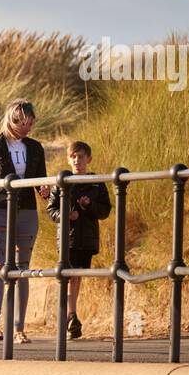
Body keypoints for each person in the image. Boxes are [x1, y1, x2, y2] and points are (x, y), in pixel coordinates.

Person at [0, 99, 49, 344]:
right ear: (13, 120)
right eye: (23, 123)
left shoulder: (35, 148)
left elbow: (40, 180)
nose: (27, 128)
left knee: (22, 268)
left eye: (30, 123)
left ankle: (19, 328)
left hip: (26, 210)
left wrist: (45, 191)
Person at [47, 141, 112, 339]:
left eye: (81, 157)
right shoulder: (62, 180)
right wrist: (66, 215)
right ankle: (70, 316)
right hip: (68, 238)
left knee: (77, 277)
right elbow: (51, 210)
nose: (77, 160)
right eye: (73, 157)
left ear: (88, 159)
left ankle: (70, 316)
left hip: (88, 238)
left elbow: (105, 210)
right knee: (68, 276)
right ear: (68, 159)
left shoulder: (97, 181)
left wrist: (89, 204)